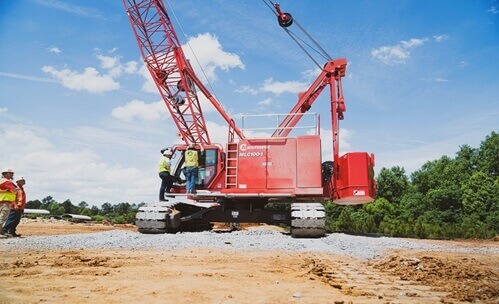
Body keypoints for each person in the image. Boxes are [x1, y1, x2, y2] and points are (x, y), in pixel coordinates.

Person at [0, 168, 18, 239]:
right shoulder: (7, 182)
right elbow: (13, 190)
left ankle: (1, 232)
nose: (12, 175)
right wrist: (16, 190)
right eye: (11, 173)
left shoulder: (1, 181)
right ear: (6, 173)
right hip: (5, 202)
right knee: (2, 217)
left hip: (2, 201)